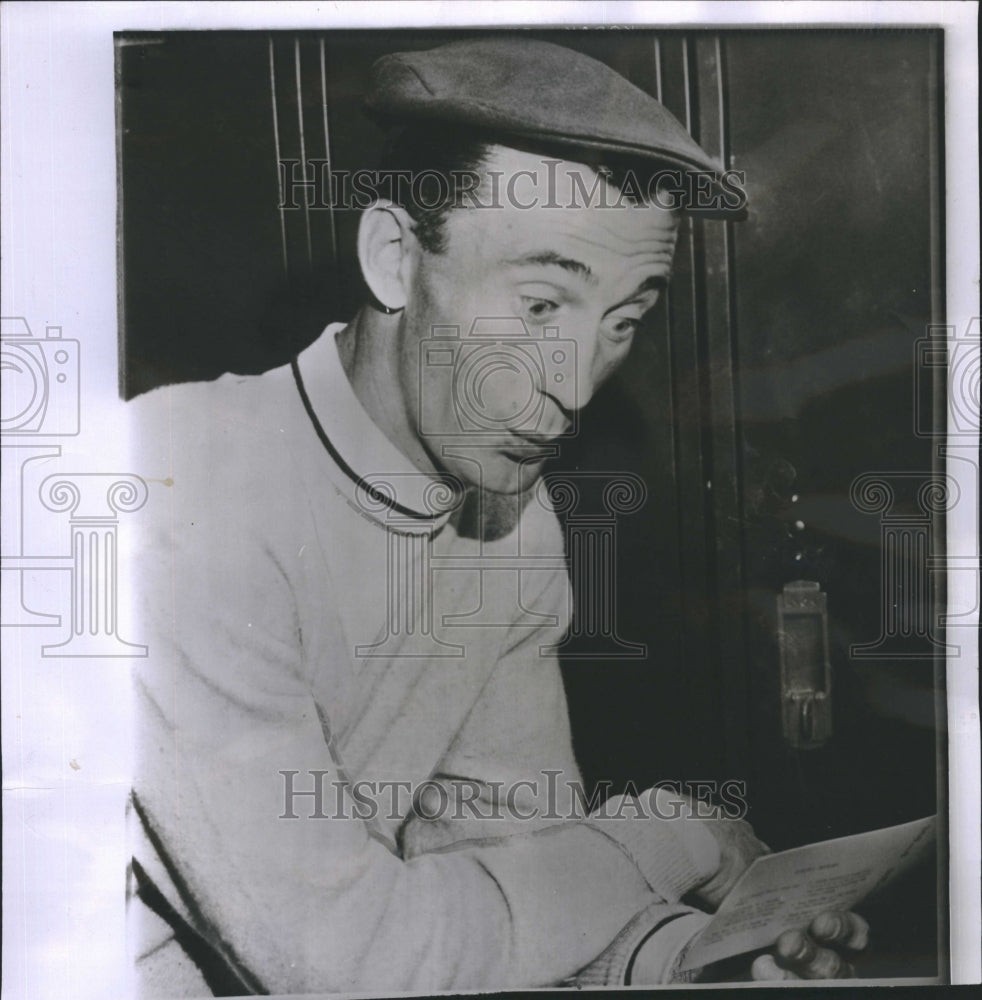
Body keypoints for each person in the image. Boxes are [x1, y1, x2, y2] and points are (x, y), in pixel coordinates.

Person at [126, 37, 870, 994]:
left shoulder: (508, 521)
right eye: (541, 303)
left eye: (624, 318)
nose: (576, 386)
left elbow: (510, 873)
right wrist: (672, 833)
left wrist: (698, 963)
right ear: (395, 258)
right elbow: (341, 962)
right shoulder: (177, 496)